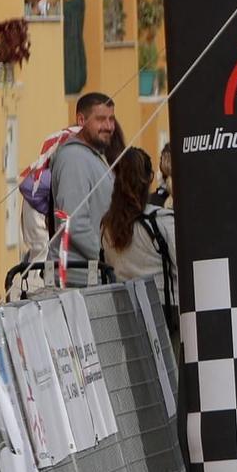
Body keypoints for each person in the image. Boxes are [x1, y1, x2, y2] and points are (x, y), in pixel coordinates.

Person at [101, 149, 176, 317]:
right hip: (165, 314)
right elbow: (185, 273)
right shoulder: (162, 221)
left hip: (127, 314)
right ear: (149, 178)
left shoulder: (107, 226)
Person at [49, 92, 118, 264]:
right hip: (78, 279)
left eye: (111, 119)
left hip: (91, 275)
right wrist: (109, 258)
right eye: (101, 119)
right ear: (81, 120)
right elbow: (74, 222)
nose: (109, 126)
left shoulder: (90, 155)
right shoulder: (74, 158)